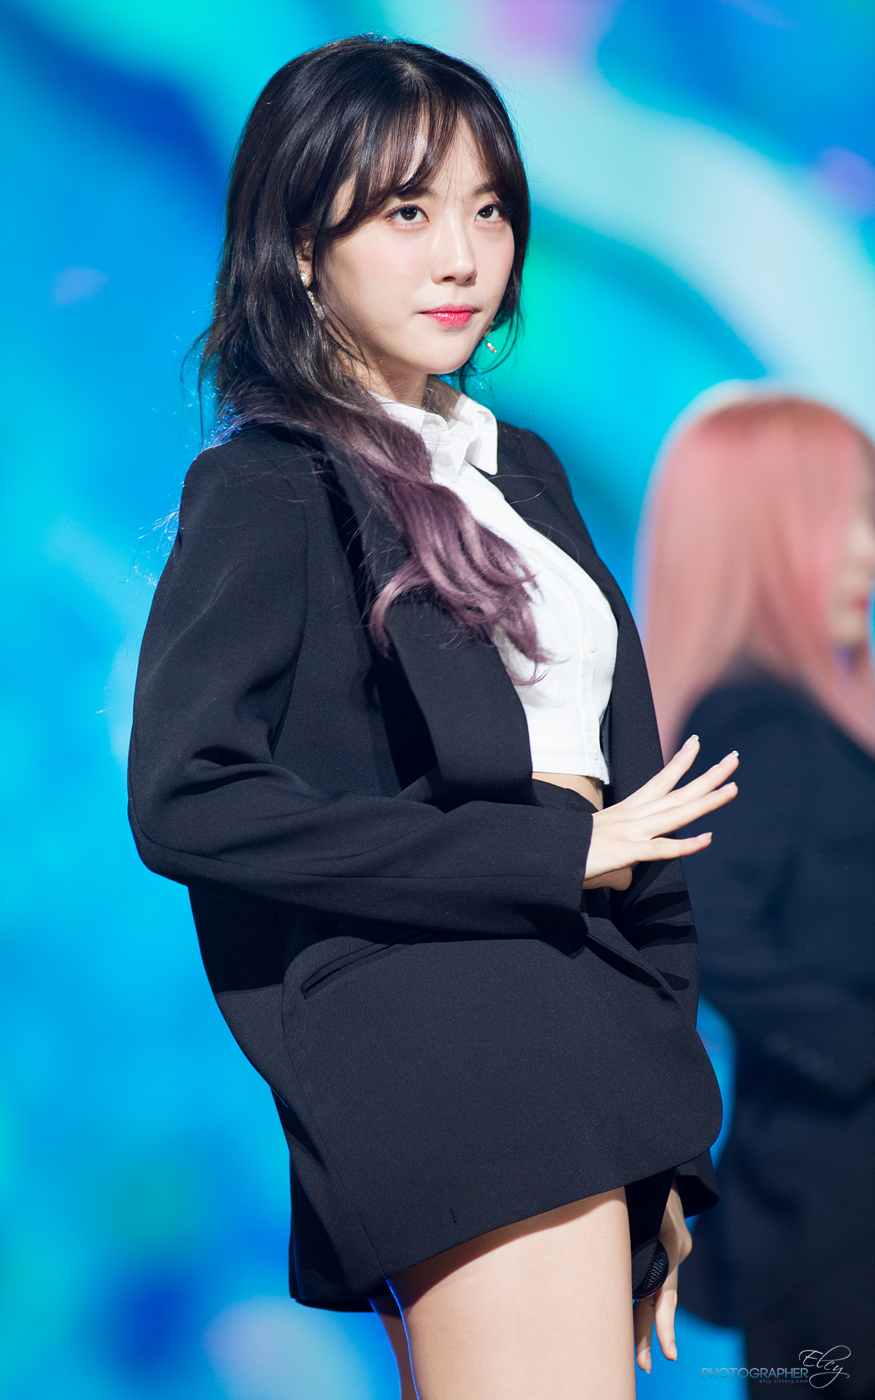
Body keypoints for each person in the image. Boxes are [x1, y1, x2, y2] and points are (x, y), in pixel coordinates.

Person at [128, 37, 736, 1399]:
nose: (462, 256)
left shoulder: (521, 471)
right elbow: (186, 795)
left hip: (585, 1030)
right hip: (447, 1030)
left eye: (487, 208)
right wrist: (547, 850)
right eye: (405, 212)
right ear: (301, 248)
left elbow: (635, 819)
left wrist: (666, 1136)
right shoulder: (273, 483)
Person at [639, 395, 875, 1398]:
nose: (868, 549)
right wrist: (852, 1046)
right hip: (832, 1212)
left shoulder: (800, 718)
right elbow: (709, 925)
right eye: (846, 514)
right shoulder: (754, 721)